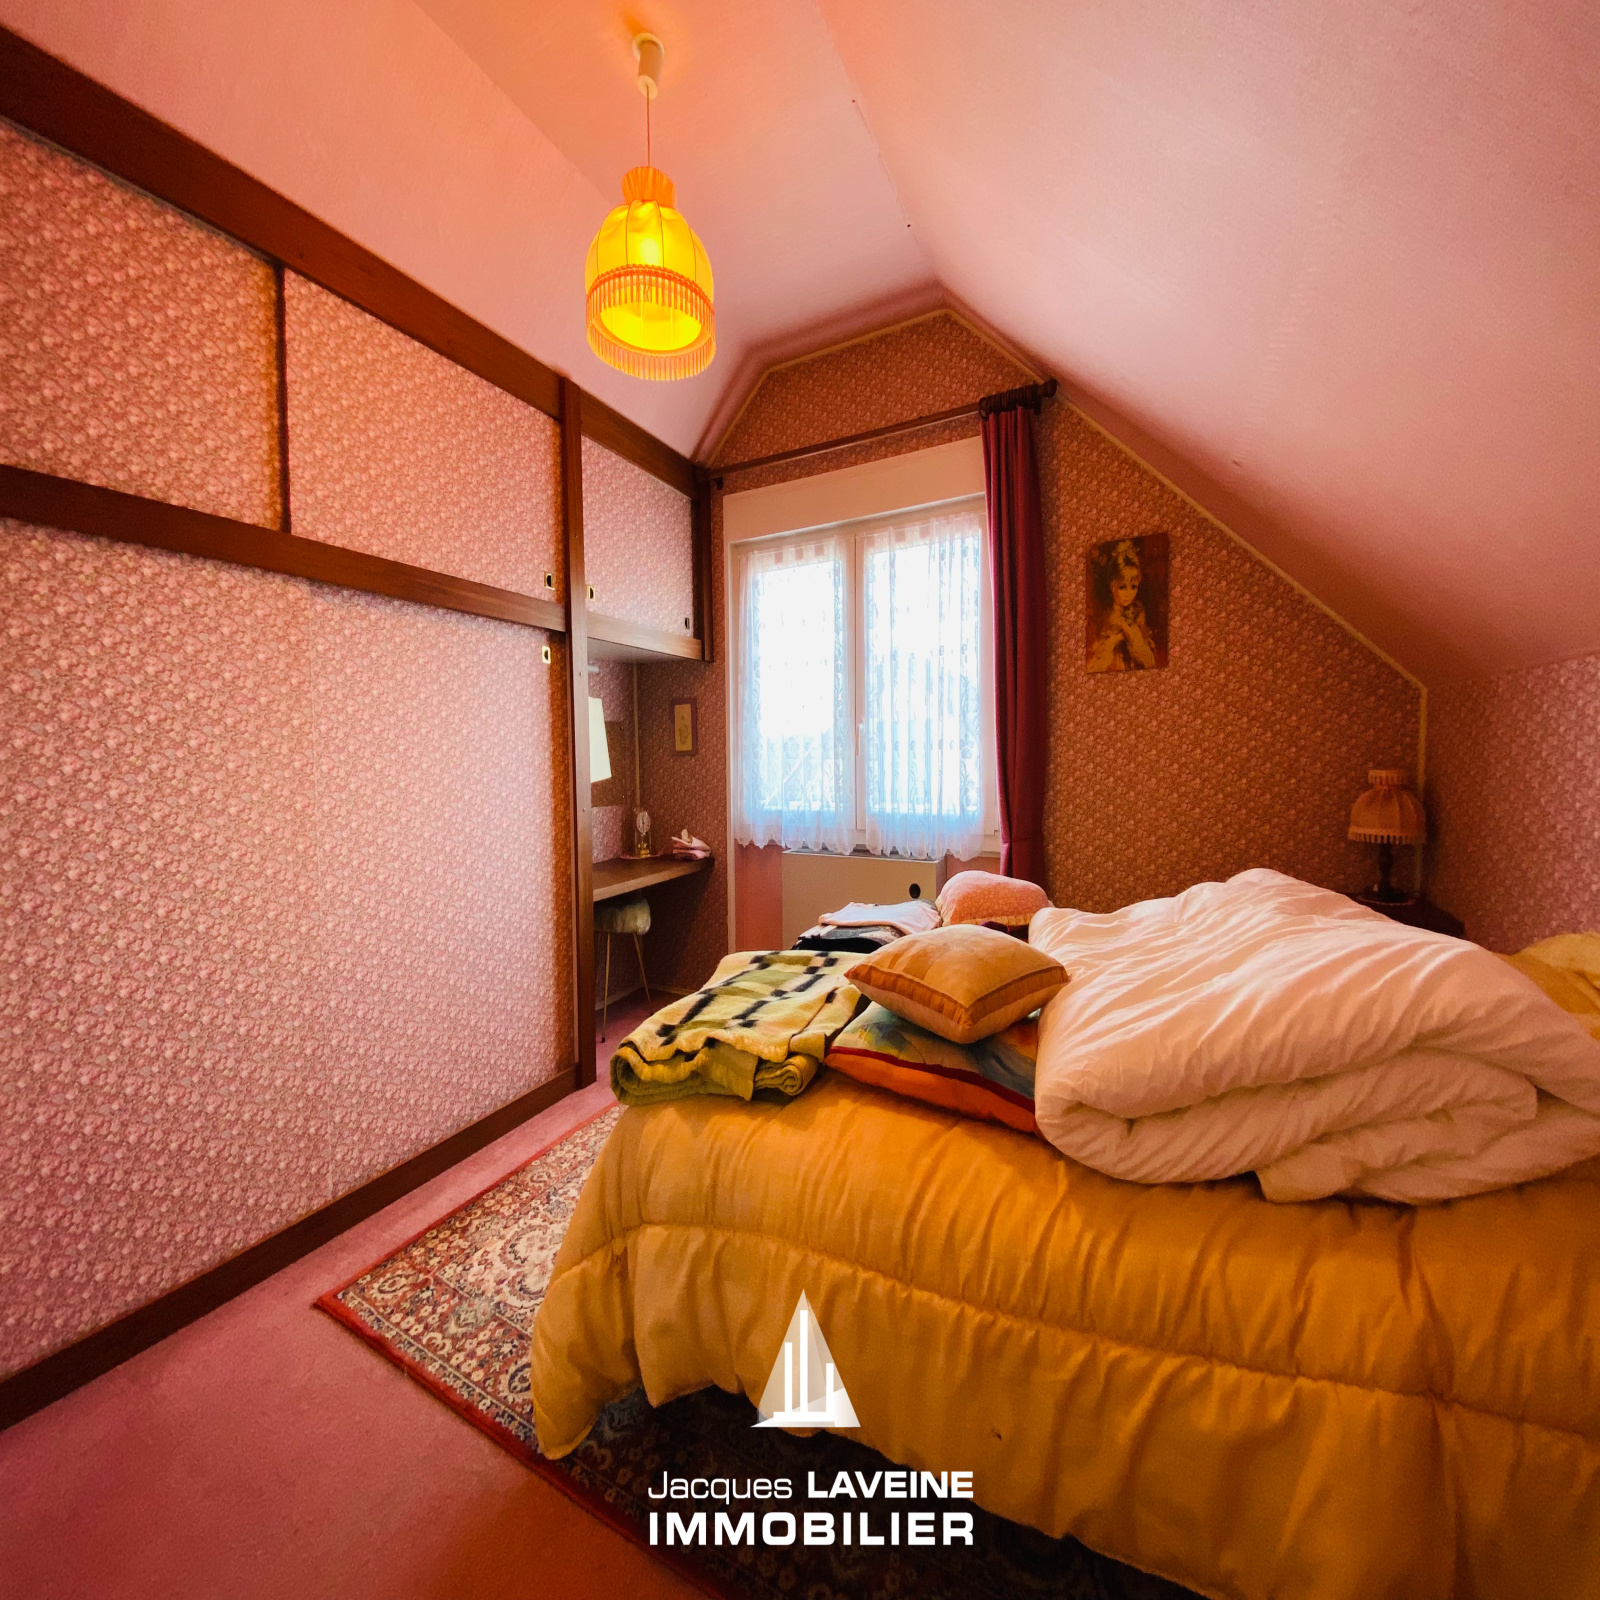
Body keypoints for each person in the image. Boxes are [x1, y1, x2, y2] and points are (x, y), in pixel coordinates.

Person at [1087, 539, 1158, 671]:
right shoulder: (1107, 615)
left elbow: (1148, 661)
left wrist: (1126, 629)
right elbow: (1099, 661)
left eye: (1133, 587)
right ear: (1113, 586)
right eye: (1122, 587)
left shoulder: (1137, 611)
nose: (1128, 594)